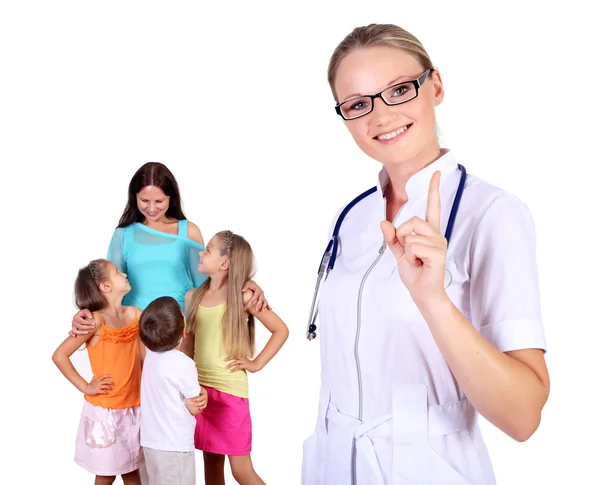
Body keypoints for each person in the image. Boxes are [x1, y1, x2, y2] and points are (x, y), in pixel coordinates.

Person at [301, 24, 550, 485]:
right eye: (358, 104)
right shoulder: (353, 218)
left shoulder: (491, 214)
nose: (380, 116)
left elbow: (524, 416)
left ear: (435, 86)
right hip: (332, 464)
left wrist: (433, 300)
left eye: (398, 90)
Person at [182, 230, 289, 485]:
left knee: (241, 471)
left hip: (230, 393)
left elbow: (281, 330)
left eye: (207, 249)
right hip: (201, 392)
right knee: (211, 468)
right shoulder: (192, 297)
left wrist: (256, 364)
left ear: (225, 263)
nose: (201, 252)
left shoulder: (245, 297)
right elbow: (187, 345)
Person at [52, 259, 144, 485]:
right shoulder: (94, 321)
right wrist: (86, 386)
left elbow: (146, 353)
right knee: (106, 473)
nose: (123, 273)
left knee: (132, 470)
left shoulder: (135, 314)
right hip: (107, 412)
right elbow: (59, 355)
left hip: (135, 406)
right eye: (116, 272)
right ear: (105, 286)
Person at [138, 296, 205, 485]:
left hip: (150, 443)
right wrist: (203, 396)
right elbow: (195, 407)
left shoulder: (150, 356)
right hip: (175, 445)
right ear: (183, 331)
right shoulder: (184, 363)